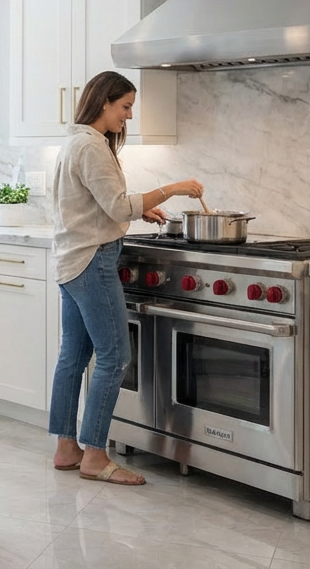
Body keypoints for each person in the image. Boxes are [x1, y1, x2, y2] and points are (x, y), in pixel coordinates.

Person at [48, 71, 203, 486]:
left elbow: (97, 204)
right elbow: (117, 206)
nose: (129, 116)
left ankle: (67, 448)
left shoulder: (75, 141)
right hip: (92, 262)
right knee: (115, 357)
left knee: (73, 356)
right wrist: (171, 189)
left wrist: (139, 209)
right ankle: (95, 456)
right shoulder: (92, 146)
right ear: (104, 102)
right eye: (126, 106)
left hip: (71, 260)